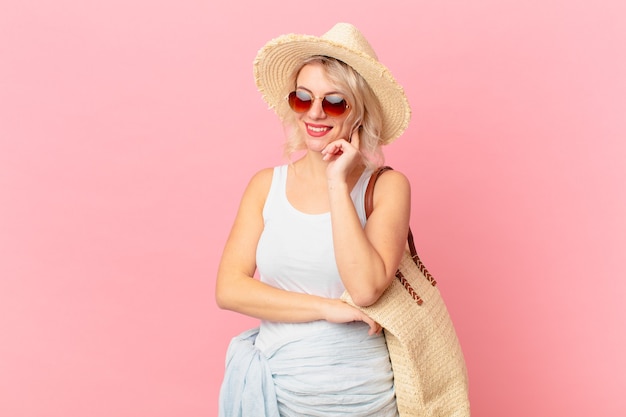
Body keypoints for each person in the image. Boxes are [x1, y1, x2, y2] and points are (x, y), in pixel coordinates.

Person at [216, 22, 412, 417]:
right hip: (279, 395)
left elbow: (366, 289)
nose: (316, 113)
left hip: (364, 397)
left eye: (335, 102)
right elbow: (229, 289)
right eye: (302, 99)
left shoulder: (387, 187)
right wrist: (325, 308)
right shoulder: (265, 185)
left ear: (359, 112)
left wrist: (338, 183)